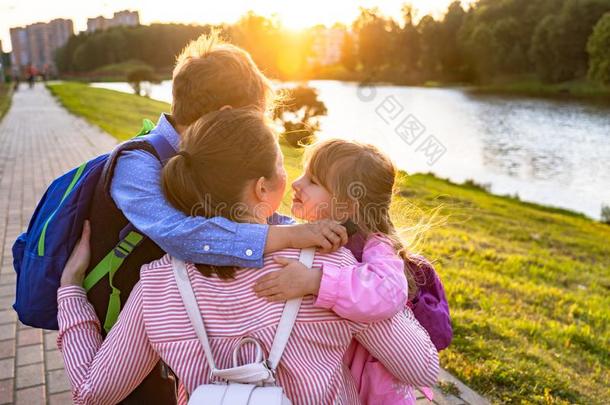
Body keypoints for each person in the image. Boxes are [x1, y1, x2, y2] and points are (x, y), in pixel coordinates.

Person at [57, 108, 440, 404]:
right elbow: (421, 368)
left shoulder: (156, 286)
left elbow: (93, 393)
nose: (292, 179)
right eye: (281, 164)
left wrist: (71, 289)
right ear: (261, 189)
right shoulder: (329, 268)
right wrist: (379, 256)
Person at [84, 32, 348, 402]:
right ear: (226, 116)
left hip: (183, 330)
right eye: (253, 120)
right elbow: (181, 236)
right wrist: (289, 238)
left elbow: (243, 214)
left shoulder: (206, 160)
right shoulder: (138, 163)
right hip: (125, 326)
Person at [253, 139, 452, 404]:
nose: (297, 183)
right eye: (303, 173)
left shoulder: (377, 245)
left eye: (313, 181)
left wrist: (315, 281)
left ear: (347, 206)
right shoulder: (315, 233)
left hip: (376, 393)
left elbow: (386, 292)